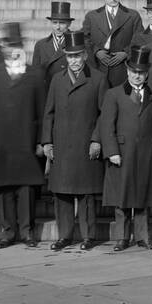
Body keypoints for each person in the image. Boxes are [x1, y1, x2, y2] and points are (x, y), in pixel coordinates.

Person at [0, 22, 45, 249]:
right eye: (8, 45)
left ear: (22, 46)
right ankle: (8, 231)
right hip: (2, 140)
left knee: (26, 188)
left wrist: (41, 141)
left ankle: (27, 231)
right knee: (4, 187)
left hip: (26, 140)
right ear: (3, 47)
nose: (12, 49)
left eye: (17, 45)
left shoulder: (35, 73)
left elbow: (42, 109)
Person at [41, 30, 107, 251]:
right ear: (65, 57)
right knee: (62, 193)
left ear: (85, 55)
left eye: (78, 56)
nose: (74, 60)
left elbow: (104, 115)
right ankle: (65, 235)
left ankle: (88, 236)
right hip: (62, 144)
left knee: (86, 194)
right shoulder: (57, 80)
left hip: (86, 144)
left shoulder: (98, 79)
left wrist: (97, 140)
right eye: (70, 56)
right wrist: (47, 141)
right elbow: (48, 113)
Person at [99, 45, 152, 251]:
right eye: (133, 72)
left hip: (145, 153)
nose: (137, 76)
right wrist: (112, 151)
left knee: (143, 196)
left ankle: (143, 236)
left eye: (141, 73)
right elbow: (106, 125)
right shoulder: (114, 94)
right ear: (127, 71)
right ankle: (122, 237)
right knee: (122, 197)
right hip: (122, 153)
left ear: (146, 73)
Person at [84, 0, 141, 88]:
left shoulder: (133, 15)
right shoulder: (92, 16)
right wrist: (96, 52)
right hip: (99, 67)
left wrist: (126, 53)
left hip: (123, 69)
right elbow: (85, 38)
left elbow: (139, 38)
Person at [32, 1, 75, 88]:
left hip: (68, 88)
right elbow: (35, 74)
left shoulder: (76, 42)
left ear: (69, 23)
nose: (58, 27)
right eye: (55, 23)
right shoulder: (40, 45)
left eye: (62, 23)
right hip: (47, 89)